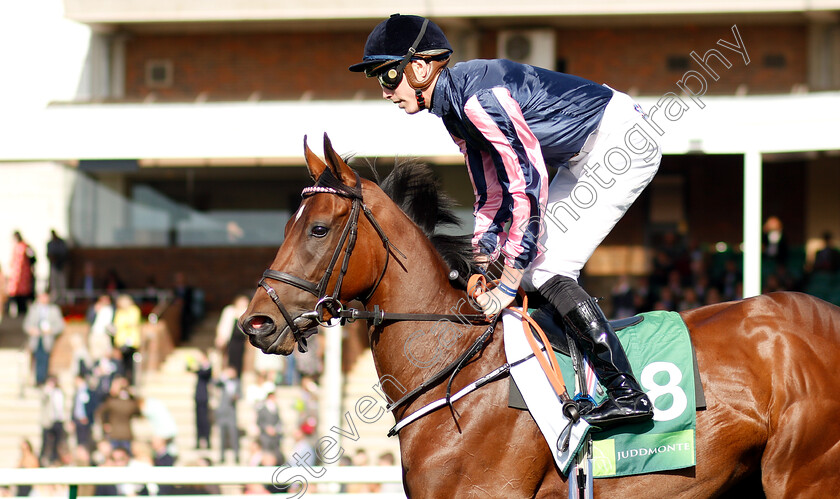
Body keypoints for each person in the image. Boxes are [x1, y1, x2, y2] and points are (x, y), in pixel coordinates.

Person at [349, 14, 659, 429]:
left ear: (420, 67)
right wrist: (484, 260)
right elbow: (490, 192)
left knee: (545, 266)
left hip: (621, 142)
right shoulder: (453, 111)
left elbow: (527, 183)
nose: (385, 91)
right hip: (582, 152)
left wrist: (508, 276)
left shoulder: (477, 101)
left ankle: (626, 391)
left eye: (387, 75)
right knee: (529, 267)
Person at [23, 292, 66, 386]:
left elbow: (60, 326)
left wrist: (51, 330)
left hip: (47, 339)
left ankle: (43, 379)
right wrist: (32, 330)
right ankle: (38, 379)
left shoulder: (54, 310)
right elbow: (26, 324)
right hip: (36, 339)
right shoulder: (33, 309)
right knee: (36, 360)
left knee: (45, 359)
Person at [215, 294, 249, 378]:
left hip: (241, 342)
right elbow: (223, 326)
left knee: (239, 362)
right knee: (229, 360)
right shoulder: (229, 311)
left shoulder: (246, 312)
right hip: (230, 341)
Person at [112, 294, 142, 385]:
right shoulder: (119, 312)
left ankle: (131, 382)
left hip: (131, 341)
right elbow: (117, 324)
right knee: (122, 364)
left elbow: (131, 323)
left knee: (130, 363)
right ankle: (124, 382)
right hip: (121, 341)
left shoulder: (133, 310)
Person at [187, 349, 213, 449]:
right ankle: (198, 440)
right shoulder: (200, 368)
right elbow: (190, 369)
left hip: (204, 397)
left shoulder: (207, 368)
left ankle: (207, 440)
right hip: (198, 397)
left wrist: (199, 366)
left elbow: (204, 373)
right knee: (198, 420)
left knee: (205, 420)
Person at [215, 366, 241, 464]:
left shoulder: (237, 382)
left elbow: (240, 395)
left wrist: (235, 397)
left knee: (233, 434)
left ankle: (236, 455)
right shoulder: (223, 382)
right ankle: (222, 456)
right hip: (222, 412)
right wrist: (223, 376)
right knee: (222, 435)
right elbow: (215, 383)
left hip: (231, 412)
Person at [39, 376, 66, 465]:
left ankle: (55, 459)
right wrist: (48, 389)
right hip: (49, 420)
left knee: (57, 442)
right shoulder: (47, 392)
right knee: (46, 441)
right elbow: (43, 398)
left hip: (58, 420)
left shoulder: (59, 393)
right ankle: (43, 459)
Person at [7, 231, 35, 317]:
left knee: (23, 298)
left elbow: (33, 259)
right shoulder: (17, 247)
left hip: (23, 277)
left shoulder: (25, 247)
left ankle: (23, 313)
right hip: (17, 277)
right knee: (16, 297)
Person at [46, 230, 69, 305]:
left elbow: (65, 254)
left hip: (61, 266)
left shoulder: (61, 243)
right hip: (53, 266)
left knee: (61, 284)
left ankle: (62, 299)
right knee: (54, 284)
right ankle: (55, 298)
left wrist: (58, 258)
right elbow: (48, 255)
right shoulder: (50, 244)